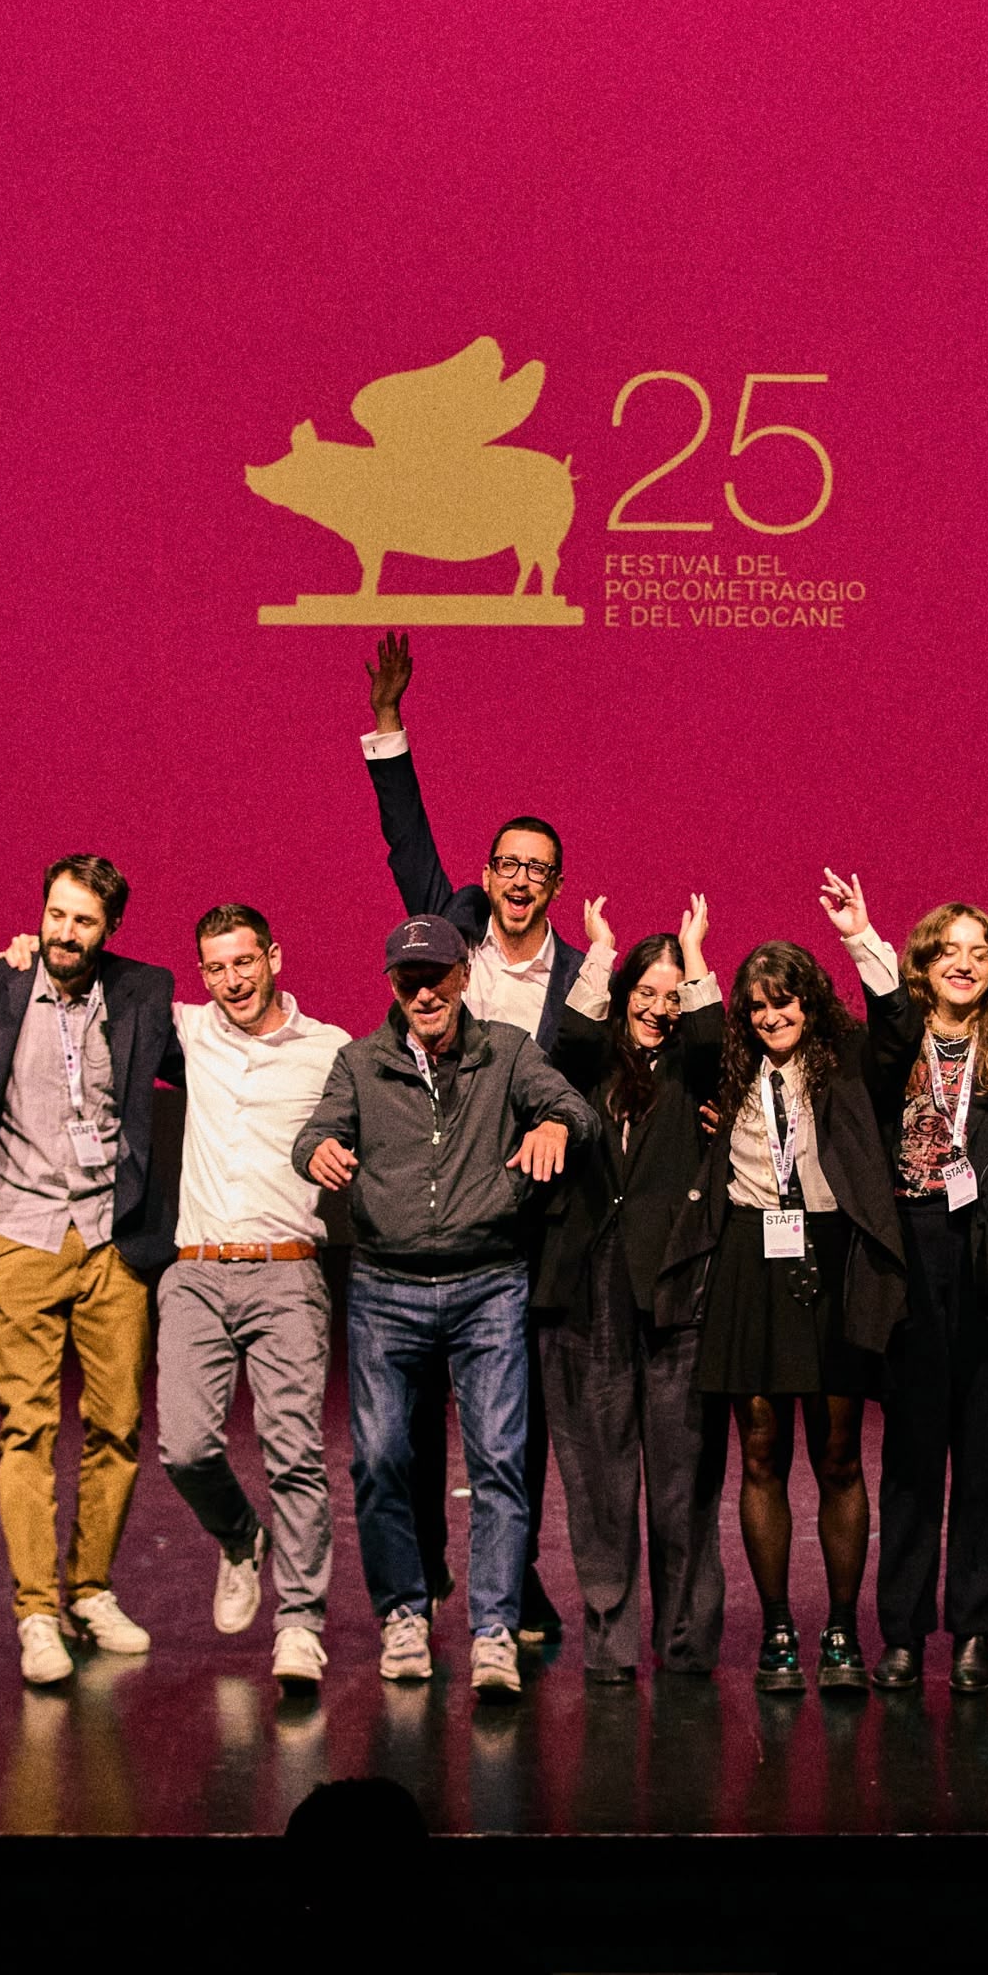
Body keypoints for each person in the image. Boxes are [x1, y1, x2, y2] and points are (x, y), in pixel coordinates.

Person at [293, 912, 596, 1696]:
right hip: (386, 1288)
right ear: (392, 984)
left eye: (436, 977)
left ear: (464, 975)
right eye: (409, 980)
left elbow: (577, 1110)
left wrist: (555, 1125)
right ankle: (403, 1611)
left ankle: (494, 1629)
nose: (424, 993)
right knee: (380, 1457)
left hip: (486, 1282)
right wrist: (319, 1149)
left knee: (499, 1462)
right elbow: (314, 1133)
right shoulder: (360, 1062)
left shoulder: (507, 1052)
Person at [359, 631, 581, 1645]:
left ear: (556, 886)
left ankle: (515, 1578)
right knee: (404, 1427)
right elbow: (406, 837)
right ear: (487, 875)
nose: (521, 880)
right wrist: (389, 725)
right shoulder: (448, 935)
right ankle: (426, 1565)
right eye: (509, 864)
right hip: (419, 1215)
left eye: (540, 869)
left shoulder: (577, 978)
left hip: (522, 1221)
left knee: (511, 1428)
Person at [0, 854, 182, 1684]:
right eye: (56, 914)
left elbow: (211, 1058)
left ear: (109, 928)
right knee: (27, 1426)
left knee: (118, 1424)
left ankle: (90, 1588)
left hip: (111, 1238)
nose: (65, 933)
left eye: (83, 920)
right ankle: (37, 1611)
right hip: (21, 1232)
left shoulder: (143, 992)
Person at [820, 871, 988, 1695]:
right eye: (948, 950)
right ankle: (905, 1631)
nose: (964, 963)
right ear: (920, 964)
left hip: (985, 1257)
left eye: (978, 951)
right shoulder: (895, 1043)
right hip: (910, 1252)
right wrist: (861, 937)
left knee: (984, 1454)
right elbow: (886, 1023)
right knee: (912, 1457)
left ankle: (975, 1631)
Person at [658, 940, 906, 1692]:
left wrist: (862, 939)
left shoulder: (847, 1061)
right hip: (750, 1255)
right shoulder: (733, 1070)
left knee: (838, 1453)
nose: (771, 1017)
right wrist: (694, 956)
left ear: (811, 1002)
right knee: (761, 1450)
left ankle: (841, 1629)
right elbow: (701, 1033)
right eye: (758, 1006)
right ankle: (776, 1629)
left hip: (829, 1254)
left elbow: (897, 1031)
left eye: (784, 1001)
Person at [535, 893, 727, 1682]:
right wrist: (601, 951)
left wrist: (696, 952)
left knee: (683, 1481)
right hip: (587, 1288)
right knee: (598, 1481)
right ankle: (610, 1644)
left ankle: (685, 1641)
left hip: (678, 1289)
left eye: (672, 997)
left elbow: (714, 1041)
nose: (658, 1008)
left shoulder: (695, 1071)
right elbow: (571, 1039)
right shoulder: (586, 1069)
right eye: (645, 992)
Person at [158, 903, 349, 1692]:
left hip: (285, 1270)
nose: (232, 979)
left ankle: (300, 1622)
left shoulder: (330, 1049)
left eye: (244, 961)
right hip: (198, 1271)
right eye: (216, 968)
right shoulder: (190, 1031)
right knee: (184, 1446)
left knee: (293, 1451)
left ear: (273, 956)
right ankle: (240, 1537)